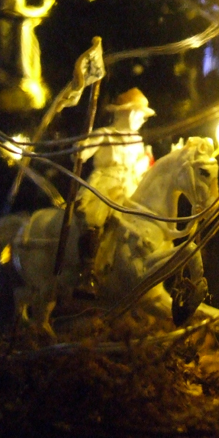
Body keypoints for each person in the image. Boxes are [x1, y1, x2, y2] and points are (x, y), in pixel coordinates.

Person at [73, 88, 155, 298]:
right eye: (140, 114)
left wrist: (146, 163)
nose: (142, 120)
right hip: (106, 183)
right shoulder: (105, 134)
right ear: (126, 112)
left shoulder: (137, 141)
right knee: (95, 218)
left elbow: (139, 167)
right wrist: (80, 149)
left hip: (131, 184)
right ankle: (87, 272)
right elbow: (80, 154)